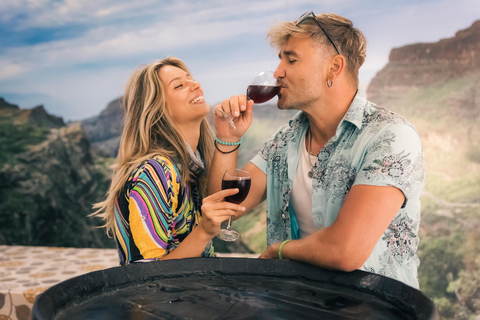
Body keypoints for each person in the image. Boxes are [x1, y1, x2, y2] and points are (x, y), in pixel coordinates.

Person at [210, 11, 425, 288]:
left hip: (374, 305)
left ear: (333, 67)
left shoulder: (390, 136)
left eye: (291, 59)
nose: (277, 73)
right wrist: (228, 138)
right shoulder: (285, 139)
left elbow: (344, 251)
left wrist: (280, 250)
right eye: (280, 60)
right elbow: (225, 207)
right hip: (300, 302)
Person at [93, 56, 247, 264]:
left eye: (191, 79)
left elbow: (219, 200)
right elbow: (146, 275)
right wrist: (204, 231)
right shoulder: (154, 172)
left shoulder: (190, 166)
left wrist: (228, 137)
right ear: (157, 109)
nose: (197, 85)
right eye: (179, 85)